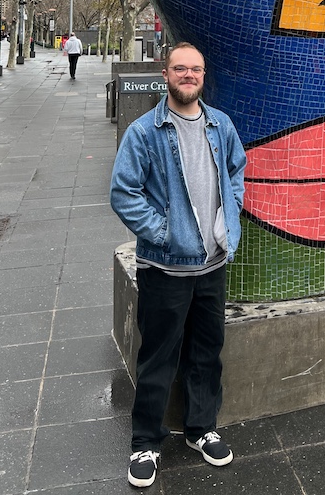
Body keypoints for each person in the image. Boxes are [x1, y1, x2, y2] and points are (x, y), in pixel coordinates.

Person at [110, 41, 247, 489]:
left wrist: (230, 217)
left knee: (207, 354)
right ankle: (145, 443)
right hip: (165, 269)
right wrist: (166, 233)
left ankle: (201, 429)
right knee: (158, 357)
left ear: (203, 77)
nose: (188, 76)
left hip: (212, 265)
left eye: (196, 70)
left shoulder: (220, 125)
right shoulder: (145, 132)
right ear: (165, 74)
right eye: (180, 69)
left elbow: (236, 173)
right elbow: (123, 193)